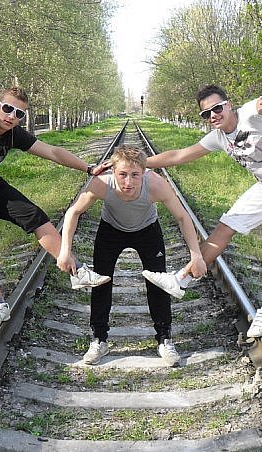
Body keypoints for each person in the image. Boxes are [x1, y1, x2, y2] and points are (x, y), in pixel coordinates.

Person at [142, 85, 262, 338]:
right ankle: (181, 279)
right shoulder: (218, 137)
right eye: (206, 114)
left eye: (217, 108)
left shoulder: (249, 114)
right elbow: (179, 155)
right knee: (226, 226)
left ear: (228, 105)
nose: (213, 115)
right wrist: (138, 162)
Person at [0, 86, 110, 331]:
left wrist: (89, 168)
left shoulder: (14, 134)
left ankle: (79, 272)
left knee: (35, 216)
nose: (11, 116)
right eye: (7, 108)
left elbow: (53, 152)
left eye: (19, 113)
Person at [57, 145, 207, 366]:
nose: (128, 182)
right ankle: (99, 339)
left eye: (135, 175)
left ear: (144, 172)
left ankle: (164, 338)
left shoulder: (155, 184)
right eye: (123, 174)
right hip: (111, 230)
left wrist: (196, 255)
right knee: (101, 281)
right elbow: (74, 211)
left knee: (159, 283)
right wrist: (65, 251)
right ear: (113, 171)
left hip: (147, 230)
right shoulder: (102, 182)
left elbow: (183, 217)